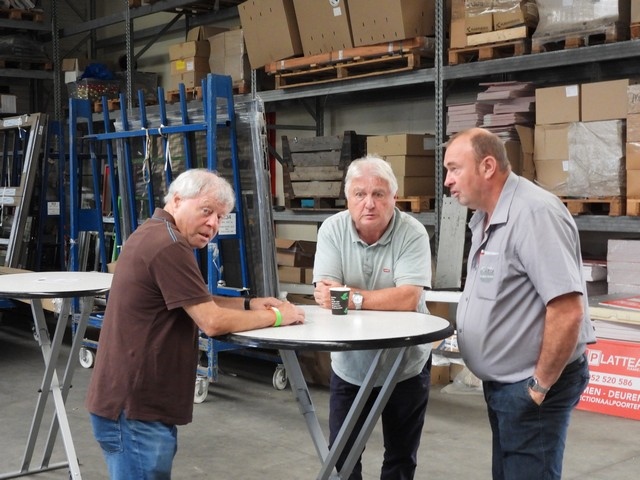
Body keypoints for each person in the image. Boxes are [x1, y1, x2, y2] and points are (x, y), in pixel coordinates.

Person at [86, 168, 305, 479]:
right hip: (135, 411)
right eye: (206, 211)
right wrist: (280, 317)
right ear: (177, 200)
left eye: (220, 217)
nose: (213, 223)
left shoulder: (155, 232)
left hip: (132, 407)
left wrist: (249, 303)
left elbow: (194, 298)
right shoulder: (169, 245)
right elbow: (211, 321)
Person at [443, 128, 595, 480]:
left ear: (487, 166)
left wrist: (538, 387)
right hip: (506, 385)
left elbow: (567, 310)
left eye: (454, 169)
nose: (448, 180)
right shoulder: (486, 216)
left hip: (530, 386)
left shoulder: (534, 213)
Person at [313, 154, 433, 480]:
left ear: (394, 197)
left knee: (401, 459)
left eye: (379, 194)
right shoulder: (332, 229)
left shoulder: (412, 233)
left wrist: (350, 296)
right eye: (360, 194)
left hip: (404, 364)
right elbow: (327, 297)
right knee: (343, 459)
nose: (369, 203)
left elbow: (408, 299)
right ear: (347, 198)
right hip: (351, 365)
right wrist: (374, 298)